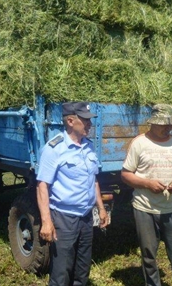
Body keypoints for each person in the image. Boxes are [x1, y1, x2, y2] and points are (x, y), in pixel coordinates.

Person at [36, 101, 109, 286]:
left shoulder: (89, 146)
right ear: (70, 121)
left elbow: (94, 180)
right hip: (64, 218)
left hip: (85, 217)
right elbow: (42, 185)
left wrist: (101, 208)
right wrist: (46, 221)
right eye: (85, 121)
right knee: (62, 270)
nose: (90, 125)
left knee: (82, 268)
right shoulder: (54, 149)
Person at [121, 104, 172, 286]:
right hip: (145, 207)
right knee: (149, 254)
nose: (168, 128)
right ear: (152, 123)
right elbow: (126, 174)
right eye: (163, 124)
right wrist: (147, 184)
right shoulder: (139, 143)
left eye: (170, 125)